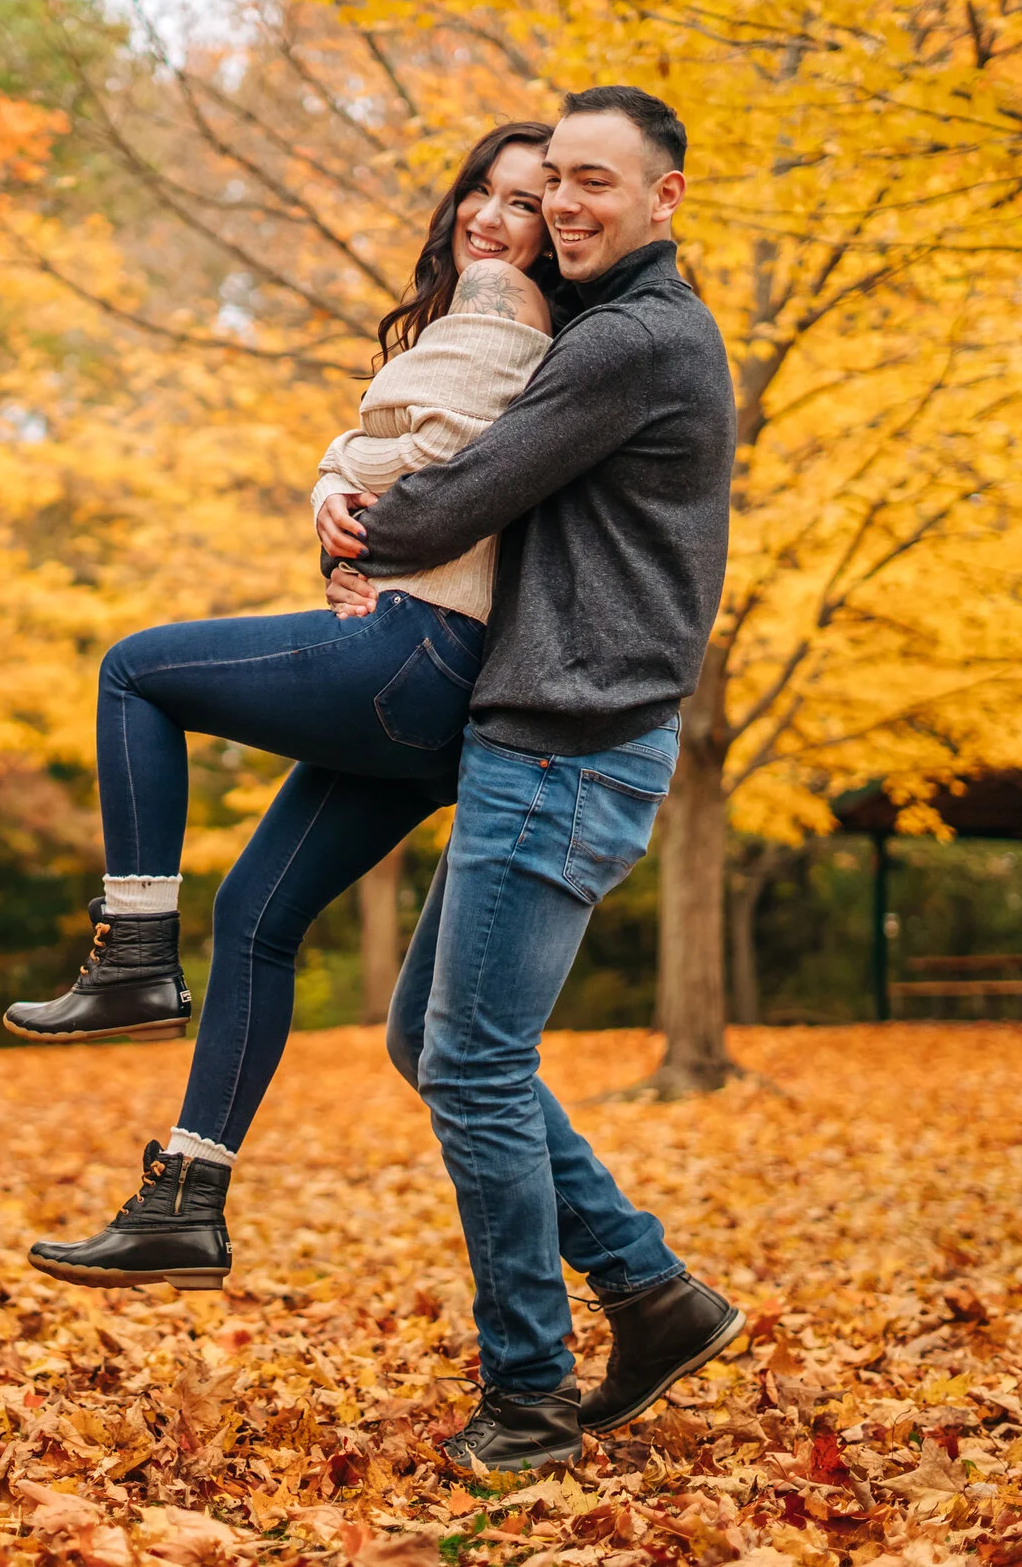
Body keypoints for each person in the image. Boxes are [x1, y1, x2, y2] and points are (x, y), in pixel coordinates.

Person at [3, 124, 565, 1289]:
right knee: (256, 913)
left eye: (523, 205)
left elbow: (424, 454)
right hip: (427, 705)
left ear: (552, 237)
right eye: (480, 192)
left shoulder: (508, 318)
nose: (490, 220)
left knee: (133, 670)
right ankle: (186, 1201)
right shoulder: (476, 319)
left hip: (414, 652)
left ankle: (132, 952)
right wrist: (332, 480)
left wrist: (344, 486)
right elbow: (376, 450)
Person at [319, 86, 741, 1473]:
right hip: (549, 734)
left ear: (666, 198)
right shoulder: (617, 330)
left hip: (569, 740)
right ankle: (652, 1290)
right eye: (554, 175)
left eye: (597, 182)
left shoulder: (634, 340)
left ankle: (530, 1397)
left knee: (478, 1065)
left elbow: (455, 498)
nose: (563, 201)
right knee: (425, 1044)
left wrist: (352, 505)